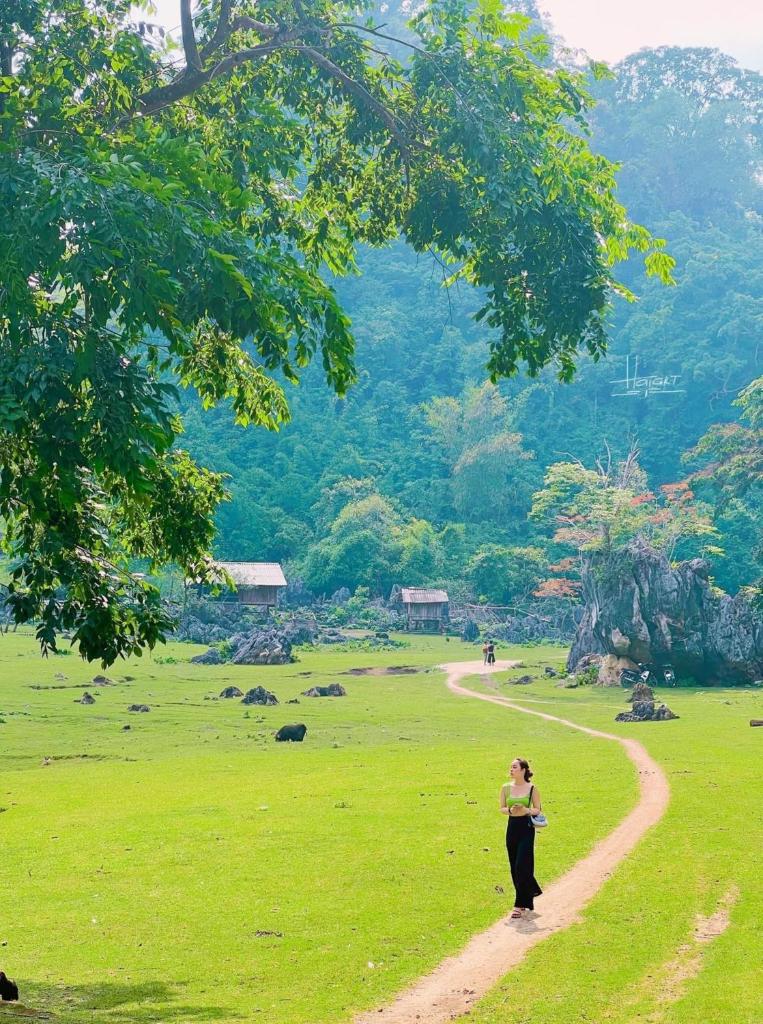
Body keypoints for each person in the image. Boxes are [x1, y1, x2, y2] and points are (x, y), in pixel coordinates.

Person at [499, 757, 543, 919]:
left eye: (514, 767)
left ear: (523, 770)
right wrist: (510, 810)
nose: (511, 769)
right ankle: (528, 896)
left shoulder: (532, 788)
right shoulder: (505, 788)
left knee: (521, 865)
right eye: (510, 767)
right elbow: (502, 808)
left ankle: (519, 904)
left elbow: (537, 809)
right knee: (514, 865)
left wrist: (526, 810)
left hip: (526, 828)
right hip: (512, 827)